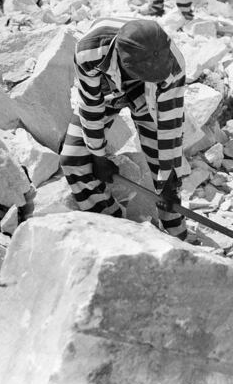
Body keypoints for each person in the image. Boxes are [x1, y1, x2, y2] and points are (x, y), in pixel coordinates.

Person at [59, 17, 188, 241]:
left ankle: (180, 238)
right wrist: (98, 157)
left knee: (168, 176)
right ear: (126, 65)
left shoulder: (172, 65)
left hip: (150, 95)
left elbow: (170, 126)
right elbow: (91, 106)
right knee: (73, 159)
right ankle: (117, 231)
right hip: (106, 91)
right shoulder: (88, 52)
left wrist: (166, 179)